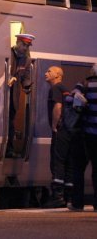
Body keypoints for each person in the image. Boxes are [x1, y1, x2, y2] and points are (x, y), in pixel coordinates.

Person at [69, 64, 97, 211]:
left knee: (78, 170)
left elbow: (70, 100)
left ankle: (77, 203)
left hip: (85, 136)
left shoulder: (83, 85)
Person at [44, 66, 73, 208]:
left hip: (60, 130)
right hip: (68, 132)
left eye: (49, 71)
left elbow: (58, 107)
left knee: (57, 162)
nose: (46, 73)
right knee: (66, 162)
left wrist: (54, 125)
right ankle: (68, 196)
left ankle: (57, 196)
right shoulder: (66, 89)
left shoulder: (55, 89)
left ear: (57, 75)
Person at [6, 33, 35, 157]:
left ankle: (9, 149)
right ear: (17, 42)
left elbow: (26, 78)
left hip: (14, 96)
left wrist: (28, 86)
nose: (25, 48)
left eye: (28, 46)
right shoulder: (7, 53)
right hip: (2, 94)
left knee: (11, 123)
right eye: (24, 45)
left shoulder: (27, 60)